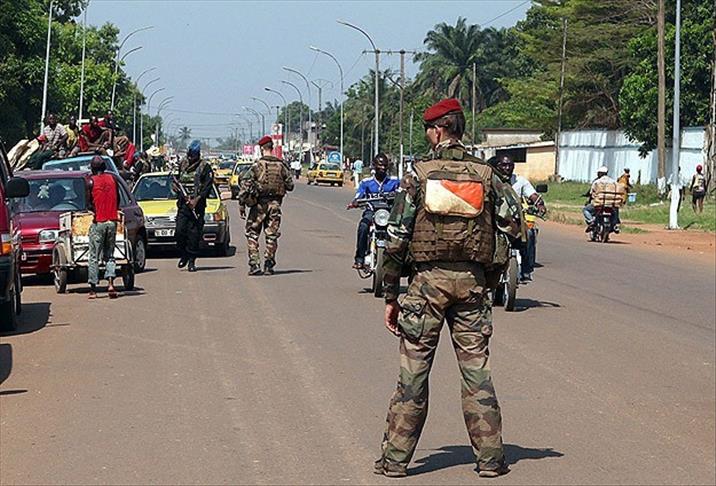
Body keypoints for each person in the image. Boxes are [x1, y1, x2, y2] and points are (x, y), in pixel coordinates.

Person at [375, 98, 522, 479]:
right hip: (473, 287)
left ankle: (395, 461)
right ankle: (490, 460)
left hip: (426, 287)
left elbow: (395, 240)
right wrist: (490, 267)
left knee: (413, 376)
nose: (428, 135)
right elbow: (514, 225)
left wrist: (391, 295)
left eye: (429, 129)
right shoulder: (487, 175)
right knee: (477, 374)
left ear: (439, 130)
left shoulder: (418, 175)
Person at [238, 135, 294, 276]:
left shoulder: (257, 166)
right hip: (275, 206)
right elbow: (290, 185)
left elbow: (245, 185)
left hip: (259, 206)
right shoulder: (281, 166)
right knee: (272, 236)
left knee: (252, 234)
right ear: (272, 148)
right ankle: (269, 264)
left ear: (262, 148)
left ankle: (254, 264)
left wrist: (242, 204)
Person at [495, 155, 546, 282]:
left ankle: (526, 270)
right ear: (498, 166)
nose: (507, 168)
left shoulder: (520, 181)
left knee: (530, 233)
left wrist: (540, 205)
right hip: (495, 219)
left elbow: (533, 195)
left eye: (510, 165)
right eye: (504, 165)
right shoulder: (492, 179)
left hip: (515, 221)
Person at [347, 153, 400, 269]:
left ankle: (401, 261)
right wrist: (355, 202)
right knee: (363, 227)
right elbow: (359, 195)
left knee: (402, 231)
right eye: (380, 165)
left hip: (389, 213)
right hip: (371, 211)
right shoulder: (366, 182)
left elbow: (402, 193)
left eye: (385, 165)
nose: (383, 168)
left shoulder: (394, 181)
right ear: (374, 166)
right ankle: (359, 259)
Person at [174, 140, 214, 272]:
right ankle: (184, 254)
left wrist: (196, 200)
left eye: (193, 155)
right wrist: (175, 187)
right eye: (189, 155)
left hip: (197, 207)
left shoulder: (204, 167)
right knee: (179, 231)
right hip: (183, 205)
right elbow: (176, 179)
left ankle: (191, 260)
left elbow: (207, 186)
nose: (191, 158)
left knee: (194, 235)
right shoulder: (183, 164)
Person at [87, 155, 121, 299]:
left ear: (92, 168)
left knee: (94, 256)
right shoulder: (113, 179)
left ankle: (93, 289)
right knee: (110, 254)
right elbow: (118, 200)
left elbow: (89, 203)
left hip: (99, 221)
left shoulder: (90, 181)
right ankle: (111, 283)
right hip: (112, 221)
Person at [583, 166, 620, 232]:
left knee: (586, 209)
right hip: (611, 204)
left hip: (599, 203)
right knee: (616, 209)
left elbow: (592, 192)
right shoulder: (614, 182)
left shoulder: (597, 182)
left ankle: (591, 221)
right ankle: (615, 224)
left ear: (600, 173)